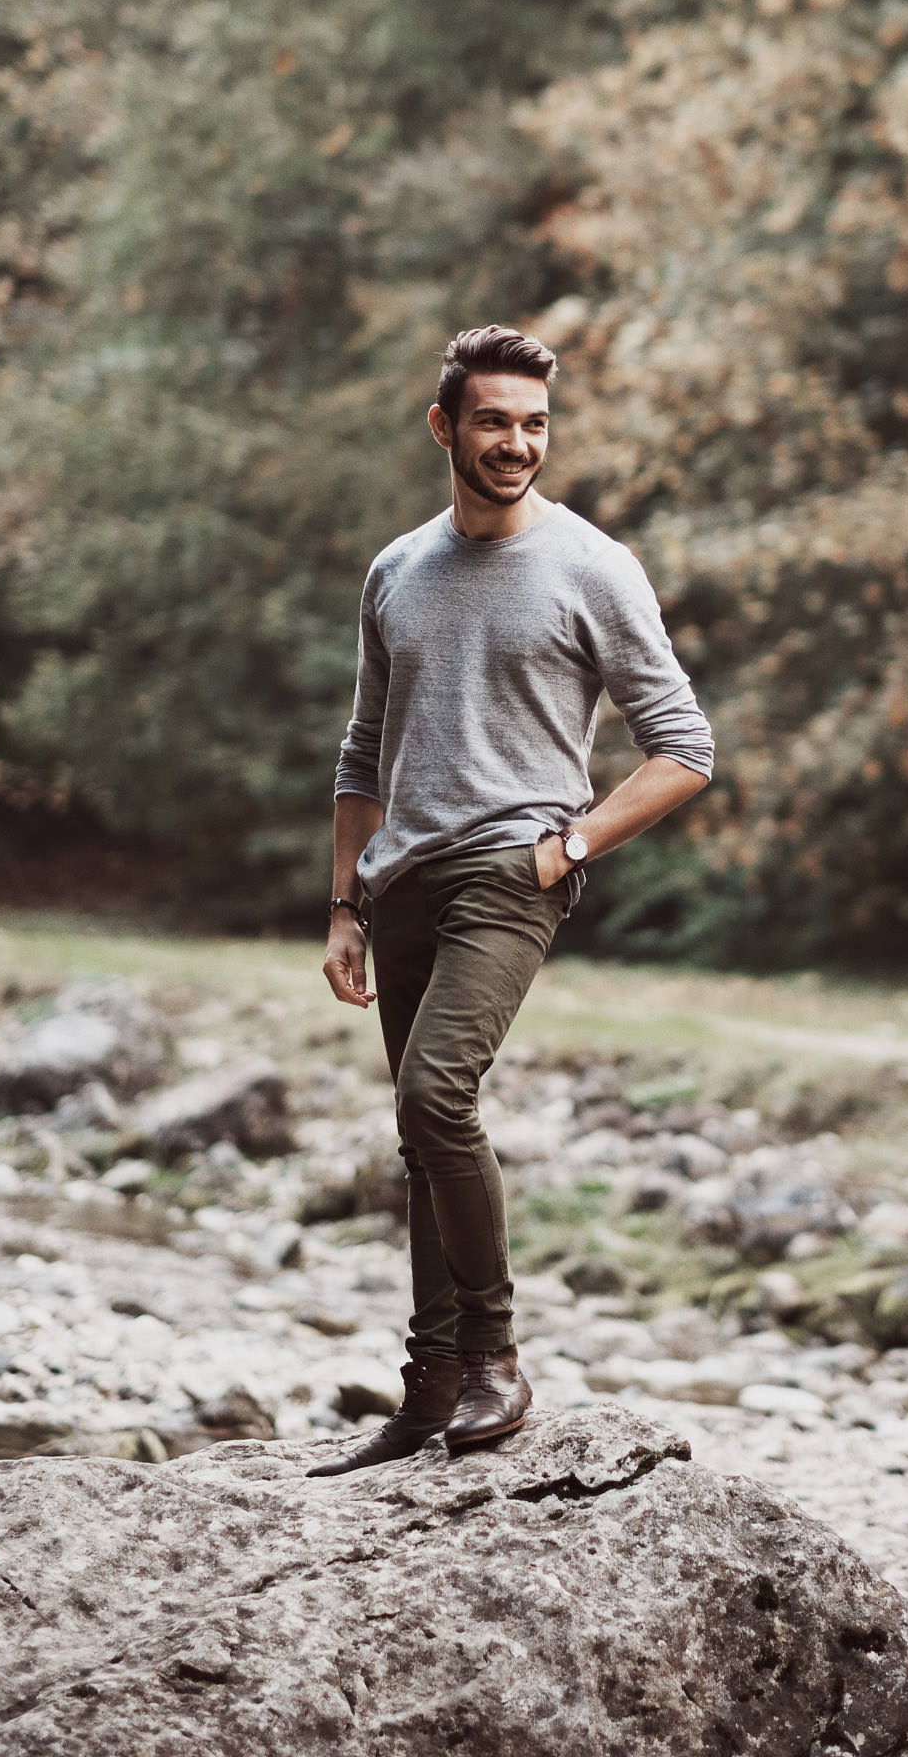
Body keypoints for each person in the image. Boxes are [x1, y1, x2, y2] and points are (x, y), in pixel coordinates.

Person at [307, 324, 713, 1475]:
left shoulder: (593, 566)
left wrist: (567, 846)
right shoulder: (397, 569)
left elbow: (684, 748)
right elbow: (362, 751)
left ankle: (494, 1357)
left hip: (511, 871)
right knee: (420, 1135)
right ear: (445, 426)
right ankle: (427, 1390)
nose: (516, 443)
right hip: (402, 882)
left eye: (534, 423)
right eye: (494, 420)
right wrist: (344, 905)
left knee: (437, 1097)